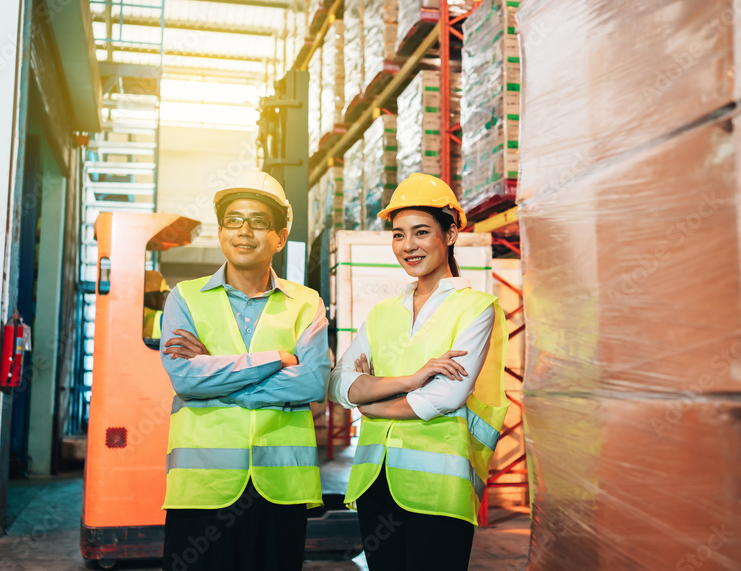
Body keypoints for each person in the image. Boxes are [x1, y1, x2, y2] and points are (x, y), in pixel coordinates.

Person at [327, 173, 509, 571]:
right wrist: (411, 381)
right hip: (376, 482)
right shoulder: (381, 313)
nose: (408, 246)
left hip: (439, 486)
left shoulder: (475, 308)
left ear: (451, 234)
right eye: (398, 234)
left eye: (421, 232)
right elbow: (339, 384)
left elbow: (446, 396)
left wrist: (373, 403)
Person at [159, 170, 329, 571]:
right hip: (202, 487)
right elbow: (185, 378)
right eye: (233, 220)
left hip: (281, 486)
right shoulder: (185, 298)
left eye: (258, 222)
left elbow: (314, 380)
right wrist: (276, 360)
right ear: (221, 232)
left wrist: (216, 379)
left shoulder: (306, 302)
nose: (244, 231)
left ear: (280, 237)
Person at [143, 270, 169, 339]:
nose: (163, 299)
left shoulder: (131, 314)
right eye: (161, 295)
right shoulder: (161, 318)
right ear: (153, 298)